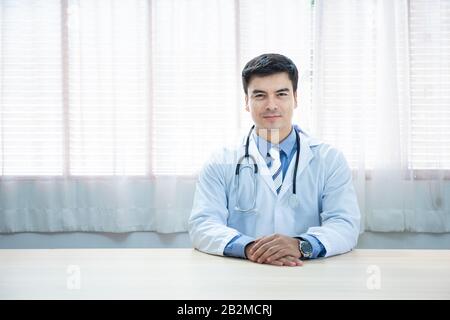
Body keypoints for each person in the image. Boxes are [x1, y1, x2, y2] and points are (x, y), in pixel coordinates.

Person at [188, 53, 360, 266]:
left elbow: (345, 224)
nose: (271, 105)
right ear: (246, 102)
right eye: (260, 95)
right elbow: (203, 224)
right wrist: (249, 248)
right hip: (242, 272)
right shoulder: (220, 161)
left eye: (281, 94)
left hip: (308, 273)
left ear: (295, 98)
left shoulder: (329, 159)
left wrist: (301, 245)